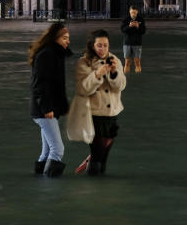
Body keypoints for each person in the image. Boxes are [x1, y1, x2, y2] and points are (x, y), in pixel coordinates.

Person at [74, 29, 126, 176]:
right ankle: (91, 184)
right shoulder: (84, 62)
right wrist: (97, 74)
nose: (103, 49)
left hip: (112, 113)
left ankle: (99, 182)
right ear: (92, 46)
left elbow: (121, 86)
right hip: (94, 114)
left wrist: (114, 72)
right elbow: (83, 88)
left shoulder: (115, 60)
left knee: (103, 158)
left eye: (105, 45)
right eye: (99, 45)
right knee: (97, 158)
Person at [28, 22, 73, 177]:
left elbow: (57, 86)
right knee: (58, 150)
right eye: (65, 38)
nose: (68, 41)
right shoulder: (47, 55)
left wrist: (63, 107)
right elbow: (40, 85)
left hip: (46, 109)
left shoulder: (55, 54)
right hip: (44, 110)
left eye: (68, 38)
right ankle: (49, 183)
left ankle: (40, 178)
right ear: (55, 38)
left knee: (47, 151)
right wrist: (47, 108)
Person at [120, 5, 146, 73]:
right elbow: (122, 30)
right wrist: (129, 26)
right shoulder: (126, 19)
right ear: (129, 12)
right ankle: (126, 78)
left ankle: (138, 78)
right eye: (132, 13)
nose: (133, 14)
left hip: (137, 43)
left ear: (137, 12)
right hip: (127, 43)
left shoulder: (141, 19)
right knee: (127, 62)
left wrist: (138, 27)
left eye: (134, 13)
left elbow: (143, 31)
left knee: (137, 62)